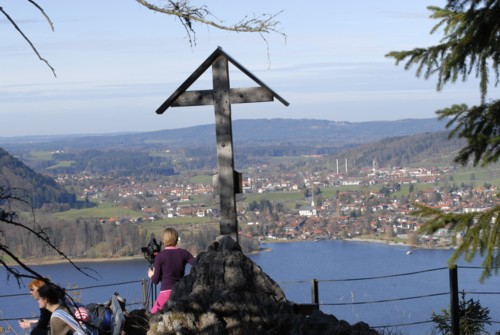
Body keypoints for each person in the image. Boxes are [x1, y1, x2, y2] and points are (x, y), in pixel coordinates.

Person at [147, 227, 195, 314]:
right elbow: (197, 263)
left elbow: (155, 280)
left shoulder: (160, 256)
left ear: (164, 240)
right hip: (181, 291)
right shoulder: (183, 253)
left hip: (166, 293)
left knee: (153, 315)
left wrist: (151, 275)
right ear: (176, 239)